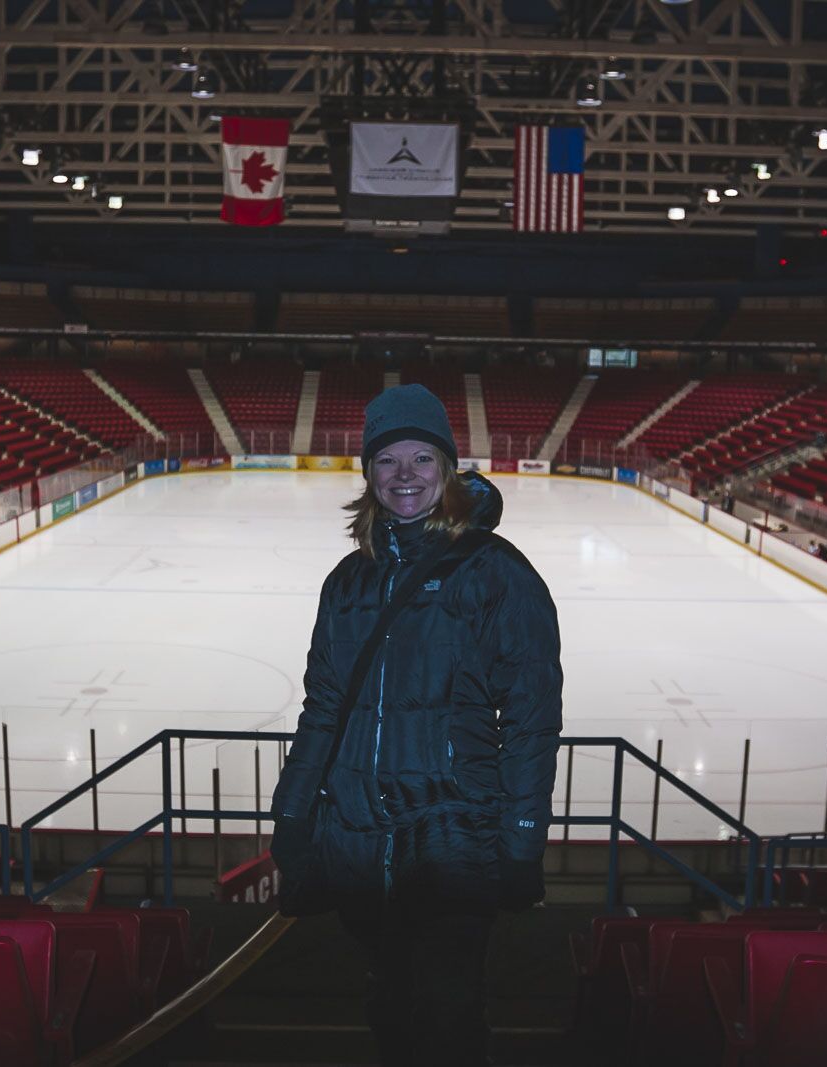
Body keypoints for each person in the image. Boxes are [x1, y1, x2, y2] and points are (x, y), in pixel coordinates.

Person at [270, 384, 563, 1067]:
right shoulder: (347, 581)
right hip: (358, 840)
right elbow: (323, 707)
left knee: (448, 1010)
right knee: (389, 1000)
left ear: (449, 469)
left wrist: (521, 838)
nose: (405, 474)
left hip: (452, 839)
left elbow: (530, 718)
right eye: (388, 459)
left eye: (422, 457)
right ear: (369, 474)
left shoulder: (495, 574)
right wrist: (292, 814)